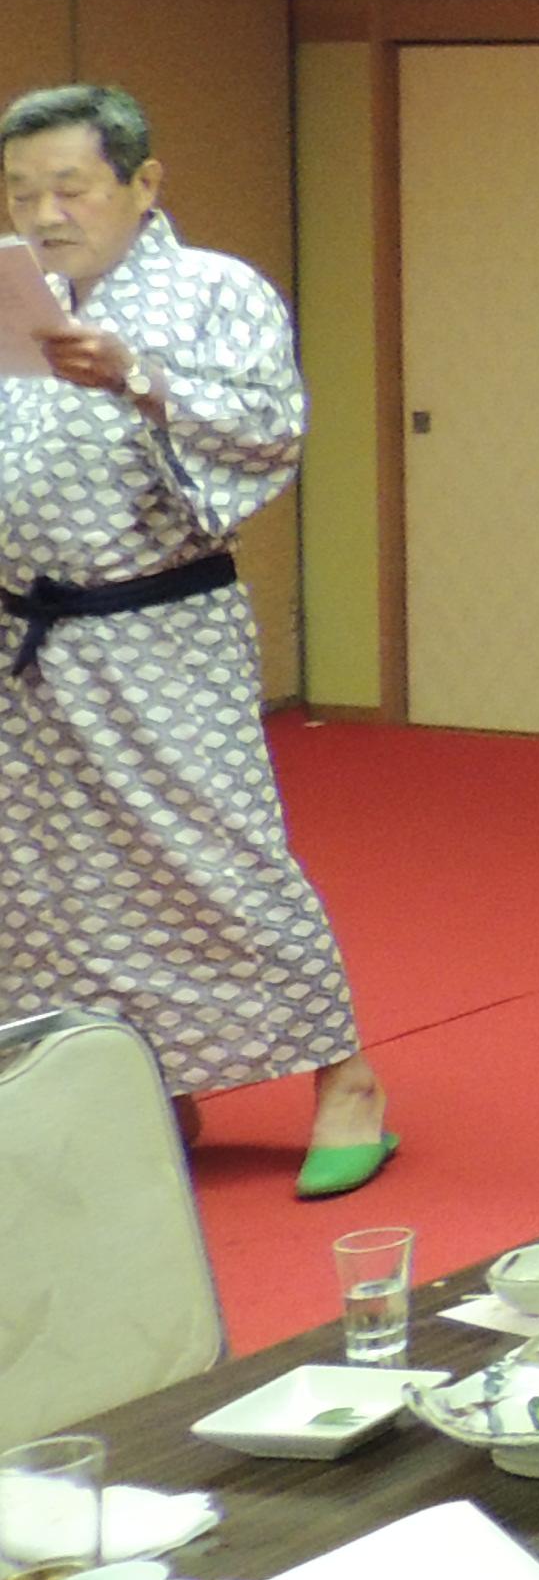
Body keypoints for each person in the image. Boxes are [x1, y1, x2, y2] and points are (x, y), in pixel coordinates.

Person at [0, 82, 393, 1196]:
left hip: (159, 626)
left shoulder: (218, 290)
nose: (45, 214)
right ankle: (144, 1089)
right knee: (52, 879)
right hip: (27, 636)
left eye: (70, 187)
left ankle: (346, 1079)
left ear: (143, 182)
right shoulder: (17, 292)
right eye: (22, 192)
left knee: (219, 857)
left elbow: (271, 429)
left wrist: (142, 378)